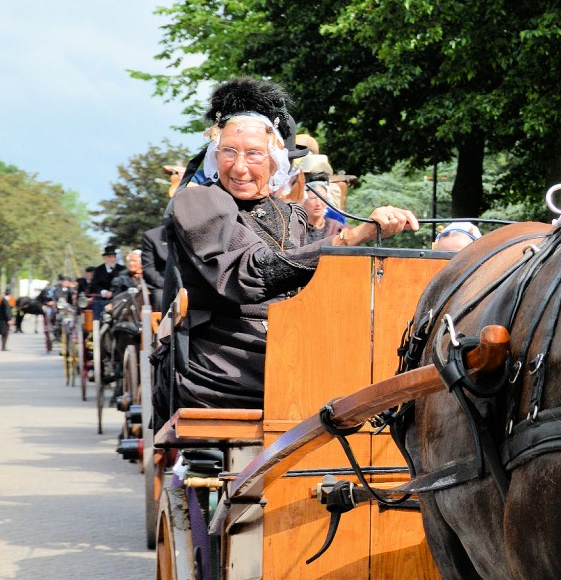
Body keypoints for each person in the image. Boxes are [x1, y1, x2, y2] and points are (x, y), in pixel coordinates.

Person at [166, 110, 417, 408]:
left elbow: (311, 285)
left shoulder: (291, 215)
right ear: (215, 156)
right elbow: (250, 274)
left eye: (254, 154)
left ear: (277, 161)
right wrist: (353, 237)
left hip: (291, 339)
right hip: (223, 353)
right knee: (353, 378)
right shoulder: (198, 202)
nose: (240, 167)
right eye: (229, 152)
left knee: (392, 361)